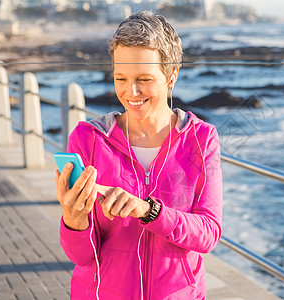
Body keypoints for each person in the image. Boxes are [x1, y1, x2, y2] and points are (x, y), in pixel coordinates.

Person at [55, 11, 223, 300]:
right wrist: (73, 218)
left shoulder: (201, 138)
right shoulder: (88, 139)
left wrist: (148, 211)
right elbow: (81, 256)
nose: (130, 92)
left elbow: (207, 234)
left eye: (144, 79)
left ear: (171, 76)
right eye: (120, 78)